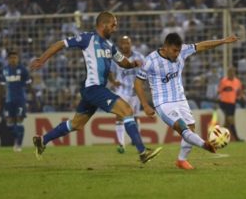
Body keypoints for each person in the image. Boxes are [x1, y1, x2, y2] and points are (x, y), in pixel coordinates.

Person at [30, 11, 162, 163]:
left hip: (92, 91)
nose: (115, 28)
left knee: (76, 124)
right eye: (113, 25)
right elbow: (61, 44)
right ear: (103, 24)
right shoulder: (88, 38)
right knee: (126, 110)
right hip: (93, 88)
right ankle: (142, 151)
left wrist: (133, 64)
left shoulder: (110, 46)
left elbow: (122, 62)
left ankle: (42, 140)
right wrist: (42, 59)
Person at [134, 32, 238, 170]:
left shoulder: (183, 50)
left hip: (180, 99)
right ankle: (204, 145)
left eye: (178, 50)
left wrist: (223, 41)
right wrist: (145, 105)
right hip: (163, 103)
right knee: (182, 128)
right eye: (174, 50)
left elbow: (203, 46)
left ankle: (181, 160)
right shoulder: (150, 61)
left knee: (191, 128)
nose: (177, 54)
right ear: (165, 47)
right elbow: (137, 83)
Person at [109, 35, 145, 153]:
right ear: (120, 45)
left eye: (127, 43)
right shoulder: (117, 57)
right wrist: (113, 81)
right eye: (123, 43)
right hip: (122, 91)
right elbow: (110, 71)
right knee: (120, 116)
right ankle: (121, 144)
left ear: (131, 44)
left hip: (135, 92)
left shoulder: (139, 56)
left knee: (135, 117)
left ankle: (135, 141)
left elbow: (147, 70)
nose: (125, 45)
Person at [0, 51, 37, 152]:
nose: (13, 59)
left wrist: (34, 97)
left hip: (20, 100)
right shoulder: (5, 70)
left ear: (18, 59)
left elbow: (29, 85)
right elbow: (1, 87)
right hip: (9, 101)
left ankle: (18, 144)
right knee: (9, 123)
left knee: (19, 121)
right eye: (11, 58)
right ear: (8, 59)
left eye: (15, 57)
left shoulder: (23, 70)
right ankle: (17, 138)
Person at [217, 67, 245, 141]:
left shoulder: (237, 82)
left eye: (232, 72)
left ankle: (219, 137)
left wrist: (241, 97)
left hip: (232, 104)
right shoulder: (223, 81)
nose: (231, 74)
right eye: (229, 72)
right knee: (230, 120)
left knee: (227, 122)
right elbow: (219, 91)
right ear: (227, 73)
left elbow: (239, 92)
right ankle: (236, 138)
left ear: (234, 73)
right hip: (224, 103)